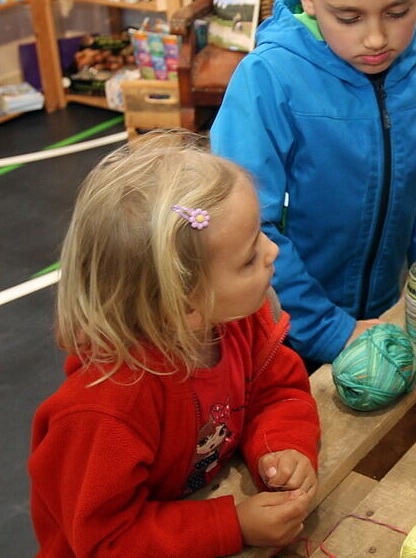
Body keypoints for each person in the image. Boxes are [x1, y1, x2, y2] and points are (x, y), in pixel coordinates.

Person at [29, 133, 320, 555]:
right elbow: (106, 539)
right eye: (247, 258)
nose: (272, 251)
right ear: (187, 307)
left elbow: (278, 391)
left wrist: (282, 448)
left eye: (261, 235)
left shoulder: (239, 321)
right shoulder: (105, 412)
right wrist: (232, 524)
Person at [211, 0, 416, 365]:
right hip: (286, 331)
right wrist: (327, 329)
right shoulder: (268, 80)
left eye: (398, 11)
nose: (375, 39)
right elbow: (247, 228)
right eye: (349, 17)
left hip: (389, 315)